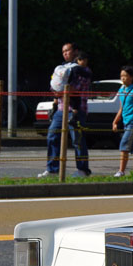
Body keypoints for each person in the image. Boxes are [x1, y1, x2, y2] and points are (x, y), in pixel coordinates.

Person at [40, 45, 93, 178]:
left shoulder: (83, 71)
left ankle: (83, 170)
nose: (65, 53)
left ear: (75, 52)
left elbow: (75, 89)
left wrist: (60, 91)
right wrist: (56, 93)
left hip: (77, 110)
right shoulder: (64, 69)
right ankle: (52, 169)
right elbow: (55, 85)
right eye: (63, 51)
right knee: (52, 136)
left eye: (67, 50)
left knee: (77, 140)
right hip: (61, 109)